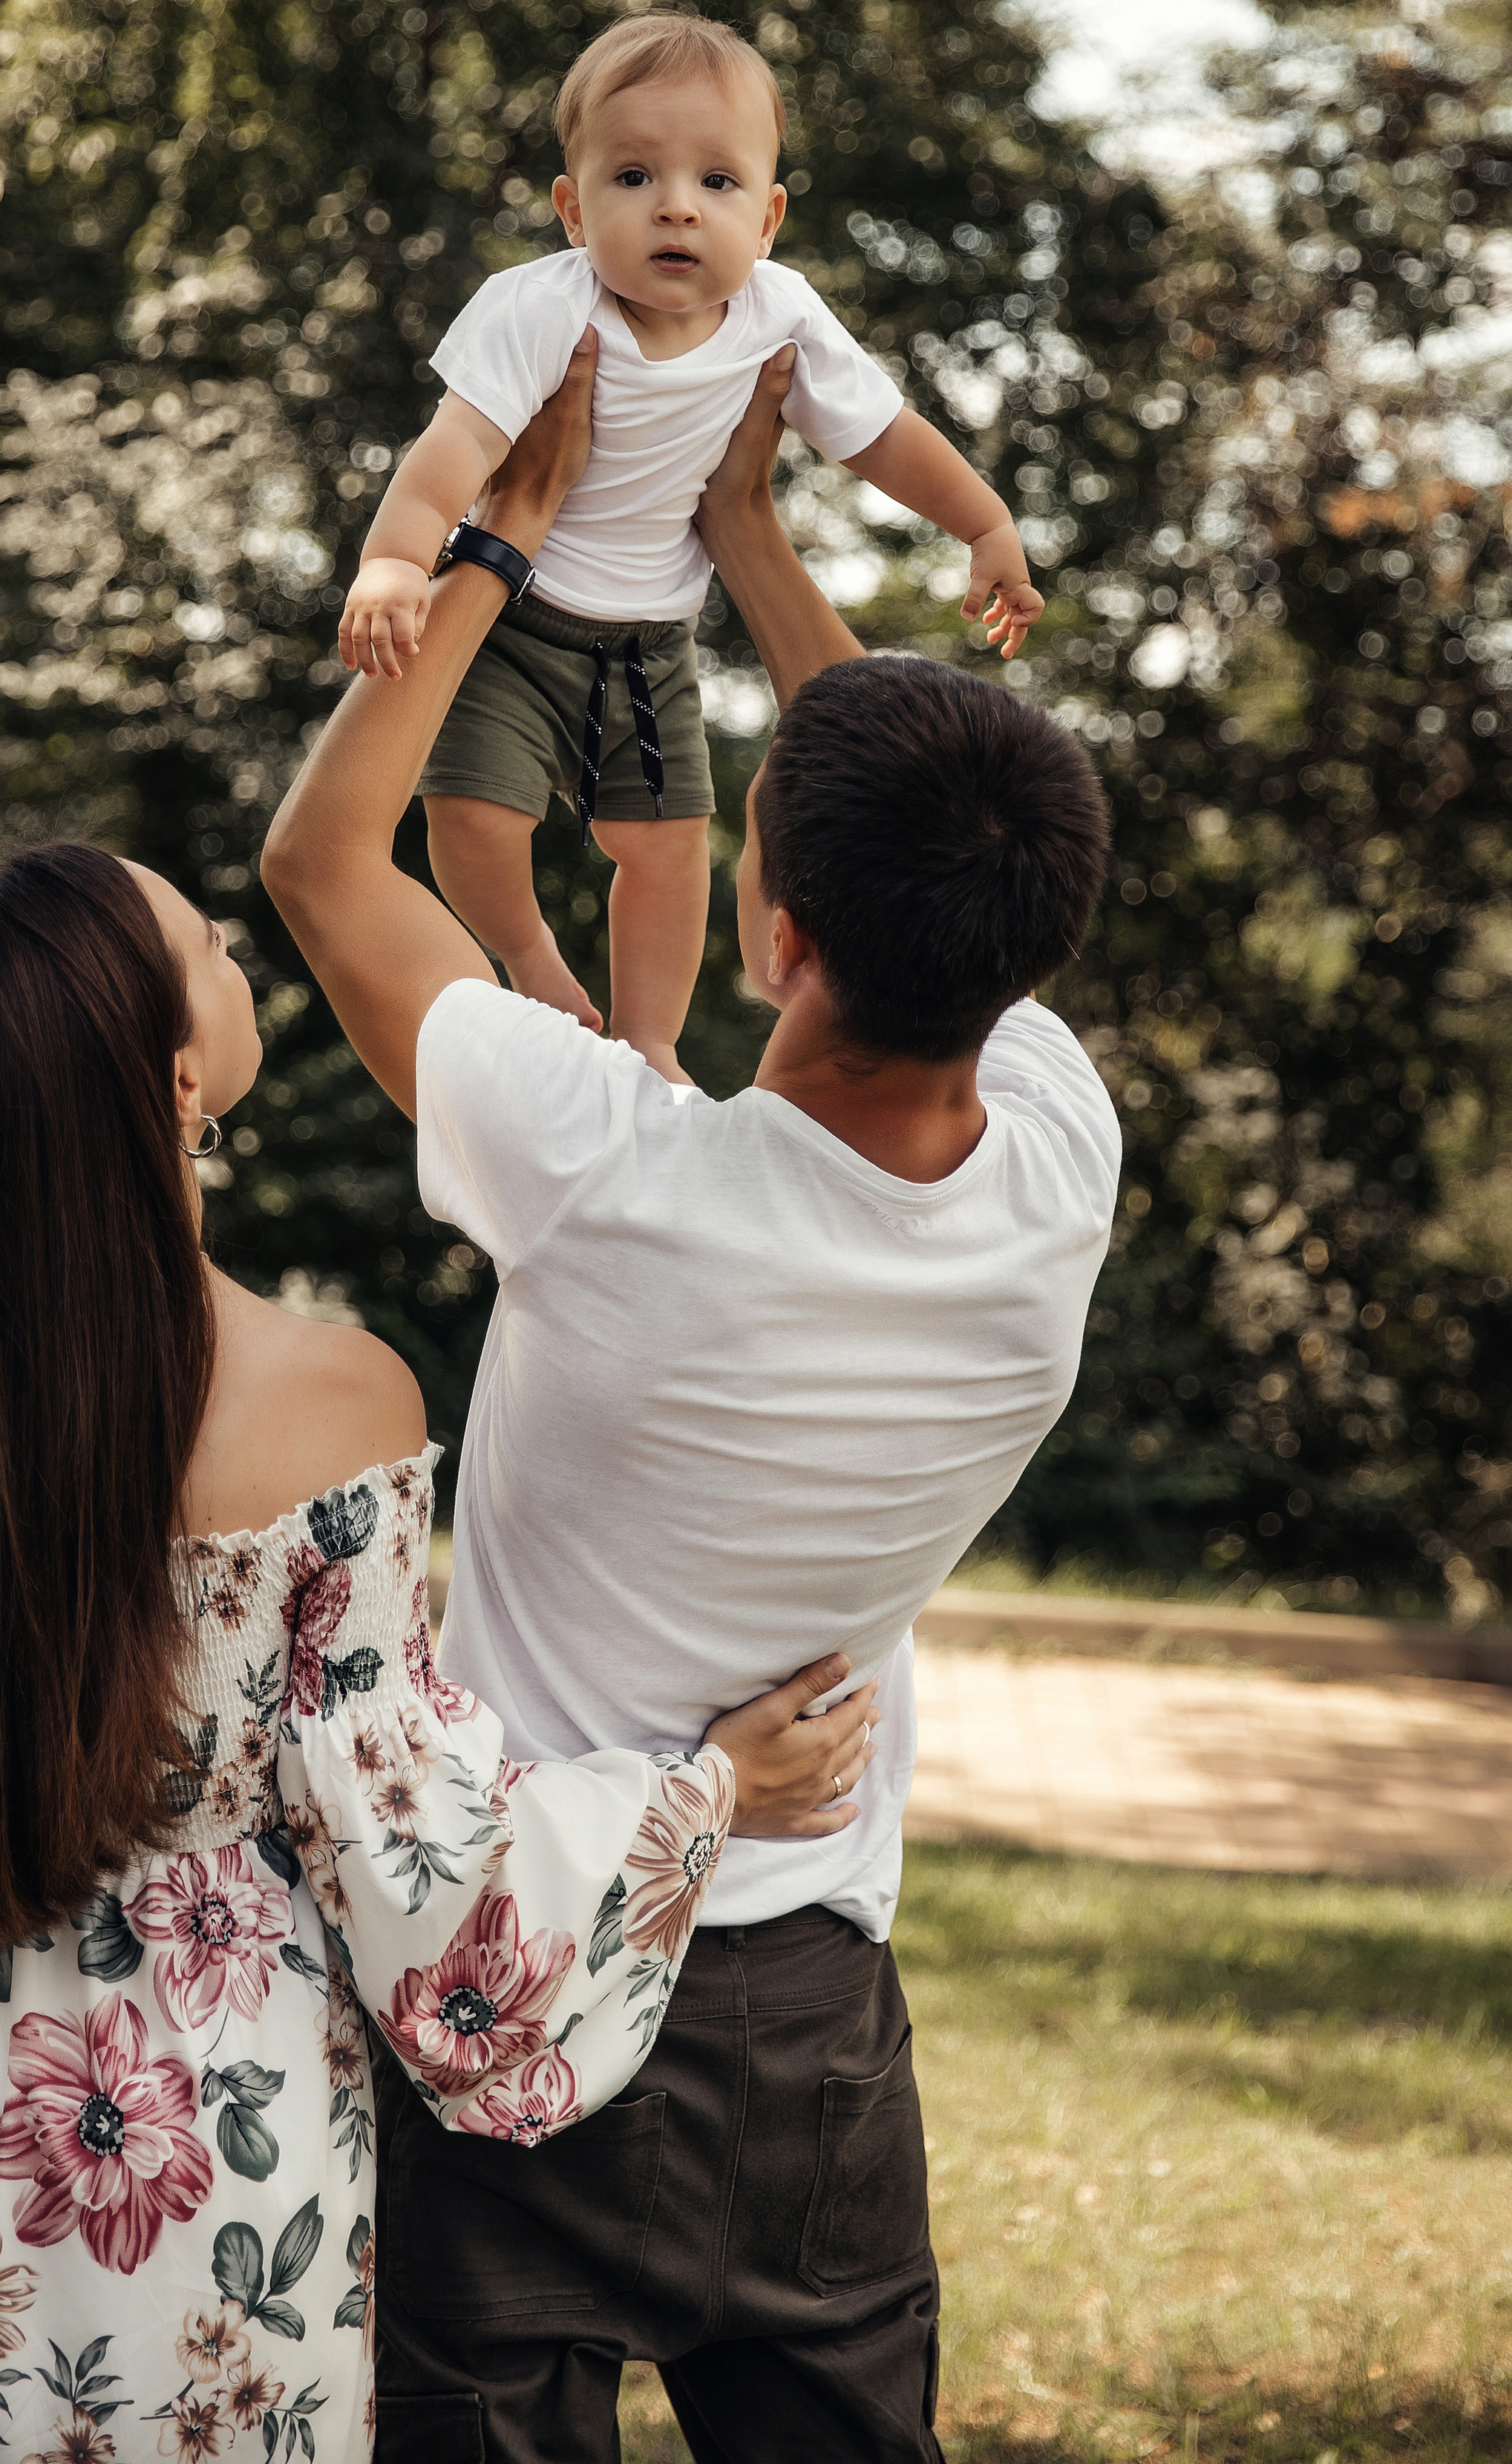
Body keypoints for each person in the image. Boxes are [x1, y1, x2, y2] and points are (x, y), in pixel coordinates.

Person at [0, 843, 877, 2464]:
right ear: (181, 1078)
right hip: (199, 2123)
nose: (247, 962)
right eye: (219, 948)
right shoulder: (338, 1398)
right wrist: (706, 1790)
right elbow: (416, 1854)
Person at [261, 337, 1119, 2464]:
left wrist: (501, 538)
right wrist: (746, 523)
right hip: (811, 2018)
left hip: (524, 1969)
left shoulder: (607, 1165)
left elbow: (318, 858)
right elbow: (944, 823)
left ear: (768, 913)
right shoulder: (1058, 1166)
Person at [332, 10, 1044, 1080]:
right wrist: (393, 563)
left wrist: (985, 524)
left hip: (650, 639)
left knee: (668, 853)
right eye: (632, 178)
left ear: (768, 218)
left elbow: (886, 438)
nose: (675, 203)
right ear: (572, 211)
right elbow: (450, 455)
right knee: (472, 815)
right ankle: (529, 957)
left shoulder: (781, 317)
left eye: (717, 181)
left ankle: (649, 1037)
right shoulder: (537, 311)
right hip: (516, 625)